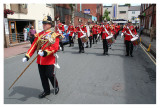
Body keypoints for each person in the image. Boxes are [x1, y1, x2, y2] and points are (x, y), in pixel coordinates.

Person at [22, 16, 60, 98]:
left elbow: (55, 47)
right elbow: (33, 46)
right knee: (42, 76)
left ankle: (56, 86)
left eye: (46, 23)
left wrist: (45, 53)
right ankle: (46, 91)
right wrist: (27, 56)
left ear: (50, 25)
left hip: (49, 59)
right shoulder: (39, 35)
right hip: (40, 60)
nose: (44, 25)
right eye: (43, 23)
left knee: (49, 74)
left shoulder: (54, 35)